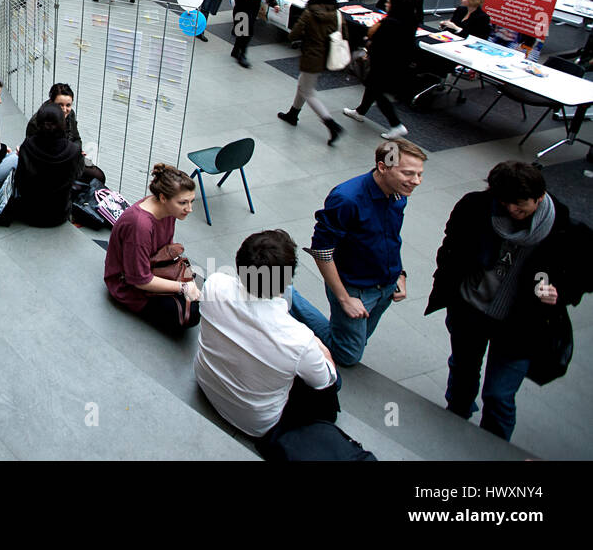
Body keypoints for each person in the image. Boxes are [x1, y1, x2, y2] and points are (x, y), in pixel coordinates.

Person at [426, 161, 591, 442]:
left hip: (521, 324)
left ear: (539, 197)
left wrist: (560, 291)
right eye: (504, 202)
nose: (511, 210)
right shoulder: (476, 207)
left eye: (520, 204)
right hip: (470, 310)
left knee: (499, 394)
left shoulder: (565, 231)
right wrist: (453, 286)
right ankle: (456, 415)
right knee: (463, 370)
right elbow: (451, 247)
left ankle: (494, 448)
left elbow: (586, 273)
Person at [195, 230, 340, 450]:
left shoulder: (214, 284)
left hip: (206, 382)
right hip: (256, 423)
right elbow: (325, 380)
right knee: (333, 380)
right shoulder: (299, 339)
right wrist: (319, 345)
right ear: (287, 280)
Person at [288, 139, 427, 366]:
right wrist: (344, 298)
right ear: (383, 167)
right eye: (408, 173)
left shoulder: (399, 194)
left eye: (420, 174)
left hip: (386, 284)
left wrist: (400, 273)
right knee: (347, 355)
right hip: (354, 288)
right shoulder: (347, 199)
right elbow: (322, 250)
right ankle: (288, 295)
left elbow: (391, 236)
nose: (417, 181)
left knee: (357, 342)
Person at [103, 163, 202, 334]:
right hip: (129, 285)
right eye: (183, 203)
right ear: (163, 198)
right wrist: (182, 287)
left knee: (199, 293)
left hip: (153, 267)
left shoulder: (169, 210)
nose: (189, 209)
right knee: (191, 313)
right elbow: (140, 280)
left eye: (191, 202)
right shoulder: (140, 226)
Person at [343, 0, 422, 138]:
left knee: (377, 92)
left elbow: (375, 40)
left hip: (383, 62)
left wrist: (368, 42)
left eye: (389, 2)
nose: (386, 3)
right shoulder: (411, 20)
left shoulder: (390, 23)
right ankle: (360, 111)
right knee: (372, 87)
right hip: (398, 61)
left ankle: (396, 124)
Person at [277, 0, 345, 143]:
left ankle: (331, 124)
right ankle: (293, 113)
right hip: (326, 56)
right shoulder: (336, 14)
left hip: (311, 57)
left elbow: (293, 34)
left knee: (308, 92)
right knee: (303, 84)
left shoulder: (309, 14)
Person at [9, 101, 86, 226]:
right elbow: (77, 175)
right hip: (58, 216)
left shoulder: (27, 145)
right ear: (62, 123)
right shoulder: (73, 150)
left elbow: (20, 180)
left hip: (29, 213)